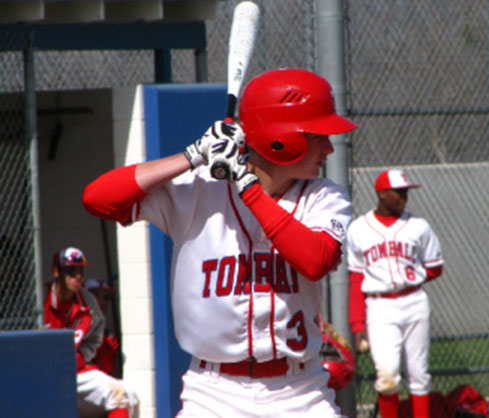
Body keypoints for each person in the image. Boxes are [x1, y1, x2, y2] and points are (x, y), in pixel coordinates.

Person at [82, 68, 358, 417]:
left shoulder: (324, 197)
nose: (329, 147)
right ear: (280, 138)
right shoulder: (199, 189)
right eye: (317, 135)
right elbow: (98, 199)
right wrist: (192, 155)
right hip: (213, 393)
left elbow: (316, 260)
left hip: (300, 391)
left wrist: (249, 187)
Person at [346, 169, 443, 418]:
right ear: (381, 194)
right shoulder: (359, 229)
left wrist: (409, 279)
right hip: (379, 307)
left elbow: (435, 267)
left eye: (406, 192)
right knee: (387, 375)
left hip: (414, 301)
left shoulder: (419, 226)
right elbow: (356, 279)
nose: (404, 197)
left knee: (419, 375)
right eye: (398, 192)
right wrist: (357, 325)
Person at [43, 247, 139, 418]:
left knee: (125, 394)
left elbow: (95, 336)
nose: (78, 276)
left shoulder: (88, 301)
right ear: (56, 272)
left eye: (81, 271)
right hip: (41, 375)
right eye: (71, 271)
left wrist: (82, 355)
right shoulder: (41, 299)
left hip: (73, 373)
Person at [85, 278, 121, 377]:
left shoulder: (109, 338)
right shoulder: (70, 327)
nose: (101, 302)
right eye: (95, 296)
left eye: (105, 298)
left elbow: (106, 373)